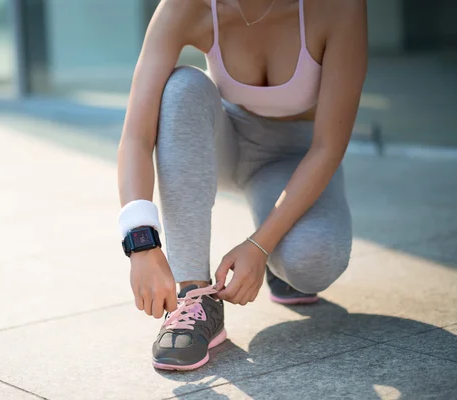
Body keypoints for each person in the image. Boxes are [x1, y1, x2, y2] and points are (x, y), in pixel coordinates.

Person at [117, 0, 367, 371]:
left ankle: (279, 260)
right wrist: (141, 244)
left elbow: (328, 147)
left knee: (313, 262)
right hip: (225, 146)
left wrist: (258, 245)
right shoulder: (186, 7)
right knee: (182, 87)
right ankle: (195, 297)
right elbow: (136, 136)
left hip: (295, 159)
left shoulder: (337, 8)